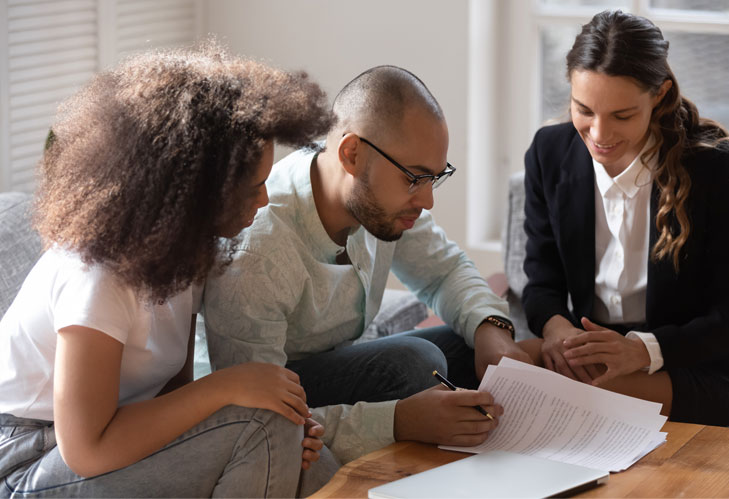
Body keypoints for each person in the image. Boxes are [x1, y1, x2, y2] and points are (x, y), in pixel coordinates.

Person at [0, 42, 335, 497]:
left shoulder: (181, 253)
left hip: (99, 449)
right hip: (29, 461)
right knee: (261, 428)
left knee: (297, 447)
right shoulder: (97, 275)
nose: (264, 200)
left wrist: (267, 422)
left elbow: (171, 395)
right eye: (252, 187)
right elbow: (86, 449)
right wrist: (226, 389)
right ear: (194, 189)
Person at [203, 65, 540, 464]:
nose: (427, 200)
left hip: (335, 365)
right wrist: (397, 422)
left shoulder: (380, 203)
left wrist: (492, 328)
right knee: (420, 366)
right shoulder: (257, 254)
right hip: (272, 391)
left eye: (436, 177)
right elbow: (255, 421)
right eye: (415, 178)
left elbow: (445, 271)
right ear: (352, 155)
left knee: (473, 348)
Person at [522, 10, 729, 426]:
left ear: (659, 96)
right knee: (504, 362)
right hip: (594, 352)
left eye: (622, 116)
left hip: (690, 360)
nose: (599, 135)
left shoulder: (714, 167)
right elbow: (540, 283)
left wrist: (645, 350)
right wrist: (557, 330)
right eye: (584, 110)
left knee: (573, 393)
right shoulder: (547, 152)